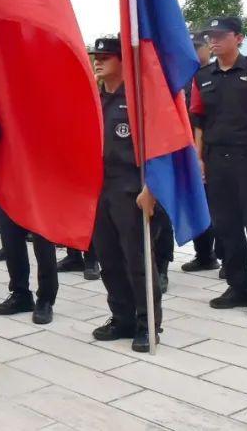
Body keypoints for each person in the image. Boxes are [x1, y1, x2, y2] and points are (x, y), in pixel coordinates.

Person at [86, 36, 164, 351]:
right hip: (99, 187)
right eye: (96, 55)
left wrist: (152, 187)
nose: (98, 60)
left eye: (106, 56)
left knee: (138, 259)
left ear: (123, 60)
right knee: (109, 257)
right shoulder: (93, 97)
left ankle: (149, 324)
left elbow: (160, 146)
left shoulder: (138, 98)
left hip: (132, 186)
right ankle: (121, 317)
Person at [191, 16, 247, 317]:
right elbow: (198, 120)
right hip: (216, 158)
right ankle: (237, 286)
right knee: (227, 226)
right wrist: (198, 158)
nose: (214, 40)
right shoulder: (203, 77)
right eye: (210, 35)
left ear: (238, 37)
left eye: (221, 35)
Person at [183, 31, 223, 273]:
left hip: (212, 150)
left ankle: (228, 257)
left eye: (201, 47)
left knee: (218, 206)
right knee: (197, 204)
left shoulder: (216, 76)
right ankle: (204, 254)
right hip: (188, 150)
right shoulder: (186, 77)